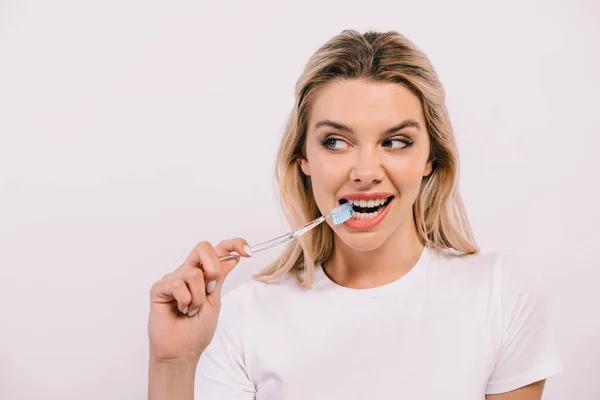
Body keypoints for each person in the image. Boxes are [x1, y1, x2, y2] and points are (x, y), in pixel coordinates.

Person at [147, 30, 562, 399]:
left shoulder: (502, 294)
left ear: (430, 158)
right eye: (336, 141)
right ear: (303, 158)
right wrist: (173, 366)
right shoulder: (240, 318)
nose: (365, 172)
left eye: (396, 142)